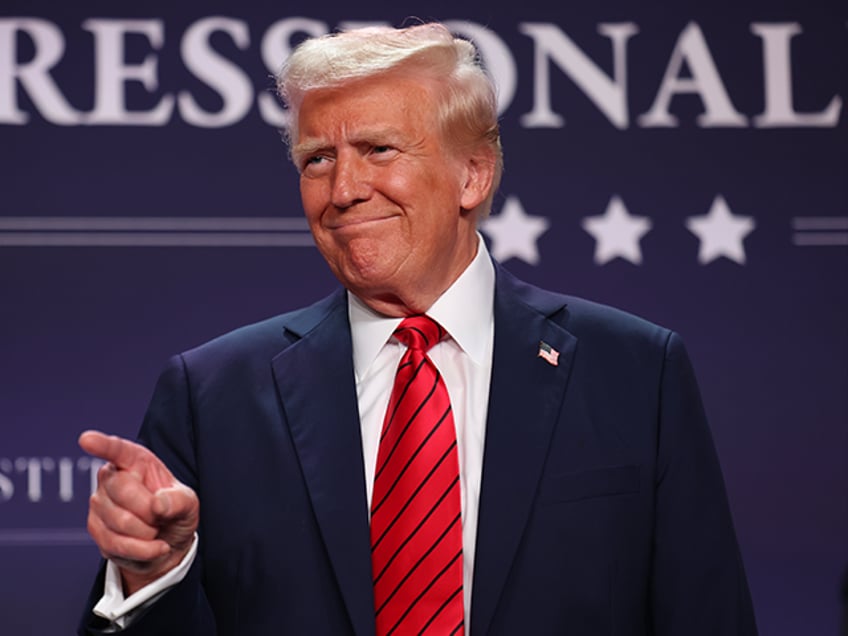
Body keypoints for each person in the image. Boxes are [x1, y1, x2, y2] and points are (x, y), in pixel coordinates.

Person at [77, 22, 757, 635]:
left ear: (473, 175)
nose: (343, 189)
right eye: (318, 158)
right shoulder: (212, 394)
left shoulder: (636, 371)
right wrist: (153, 573)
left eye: (377, 149)